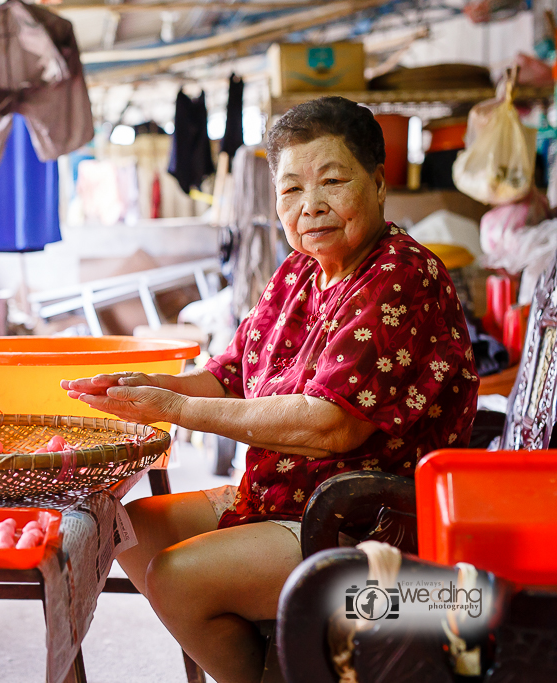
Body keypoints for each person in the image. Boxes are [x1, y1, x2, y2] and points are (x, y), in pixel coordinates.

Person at [61, 96, 480, 683]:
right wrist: (147, 388)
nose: (311, 207)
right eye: (290, 190)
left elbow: (333, 425)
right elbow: (231, 374)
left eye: (334, 181)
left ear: (380, 184)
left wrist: (179, 408)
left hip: (369, 520)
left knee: (178, 578)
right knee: (126, 532)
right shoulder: (298, 272)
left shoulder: (400, 275)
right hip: (285, 499)